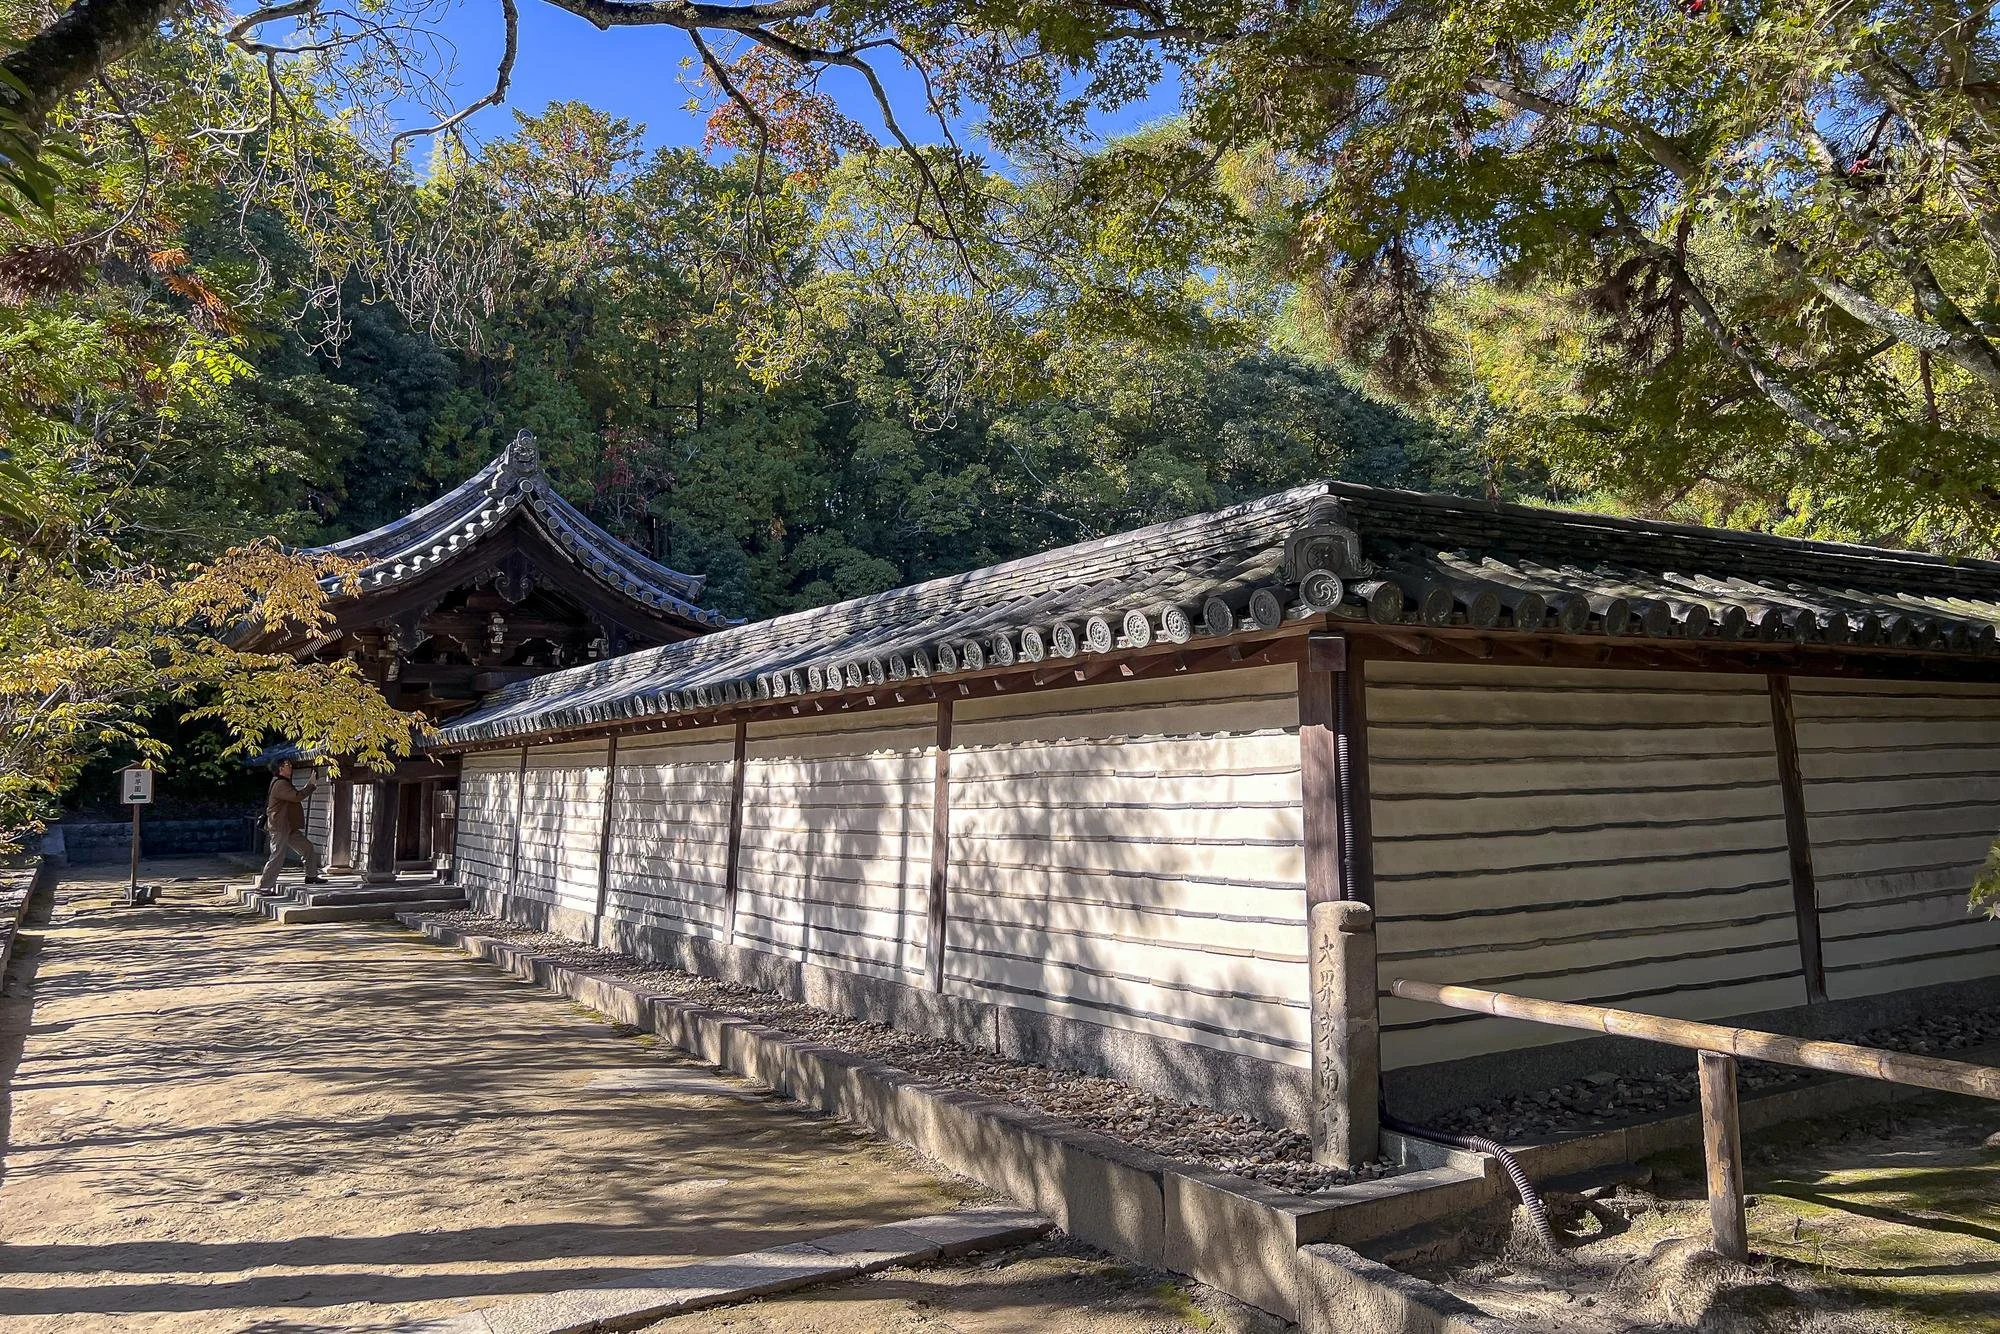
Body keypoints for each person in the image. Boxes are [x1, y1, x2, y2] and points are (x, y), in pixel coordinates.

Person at [258, 759, 327, 890]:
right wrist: (311, 785)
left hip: (288, 826)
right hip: (280, 826)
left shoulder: (283, 782)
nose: (290, 767)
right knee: (277, 856)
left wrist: (309, 785)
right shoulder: (280, 784)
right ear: (280, 768)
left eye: (290, 764)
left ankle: (311, 875)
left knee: (307, 847)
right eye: (287, 765)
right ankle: (264, 887)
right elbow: (296, 796)